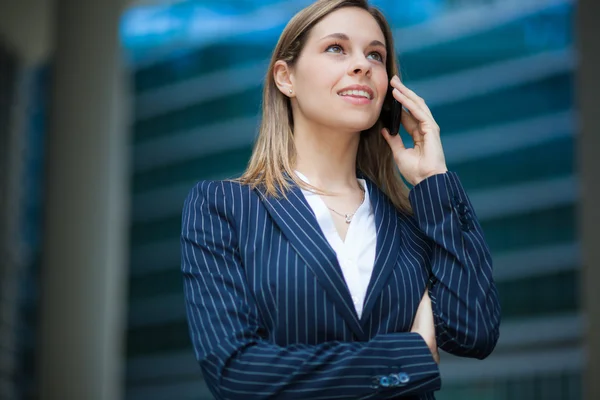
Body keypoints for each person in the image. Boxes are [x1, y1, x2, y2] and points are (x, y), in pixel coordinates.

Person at [180, 0, 501, 399]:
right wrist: (406, 359)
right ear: (286, 77)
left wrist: (432, 180)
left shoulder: (412, 219)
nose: (362, 65)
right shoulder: (222, 207)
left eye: (375, 55)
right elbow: (237, 374)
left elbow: (474, 332)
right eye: (336, 48)